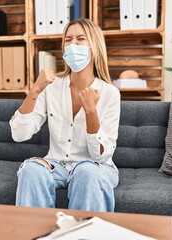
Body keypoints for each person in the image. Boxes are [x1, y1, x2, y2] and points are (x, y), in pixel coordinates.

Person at [9, 18, 121, 212]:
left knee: (86, 171)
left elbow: (102, 156)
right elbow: (19, 134)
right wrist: (35, 90)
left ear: (94, 48)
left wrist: (91, 112)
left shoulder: (110, 93)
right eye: (68, 40)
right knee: (31, 169)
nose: (72, 44)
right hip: (57, 165)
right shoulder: (50, 87)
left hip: (96, 167)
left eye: (80, 39)